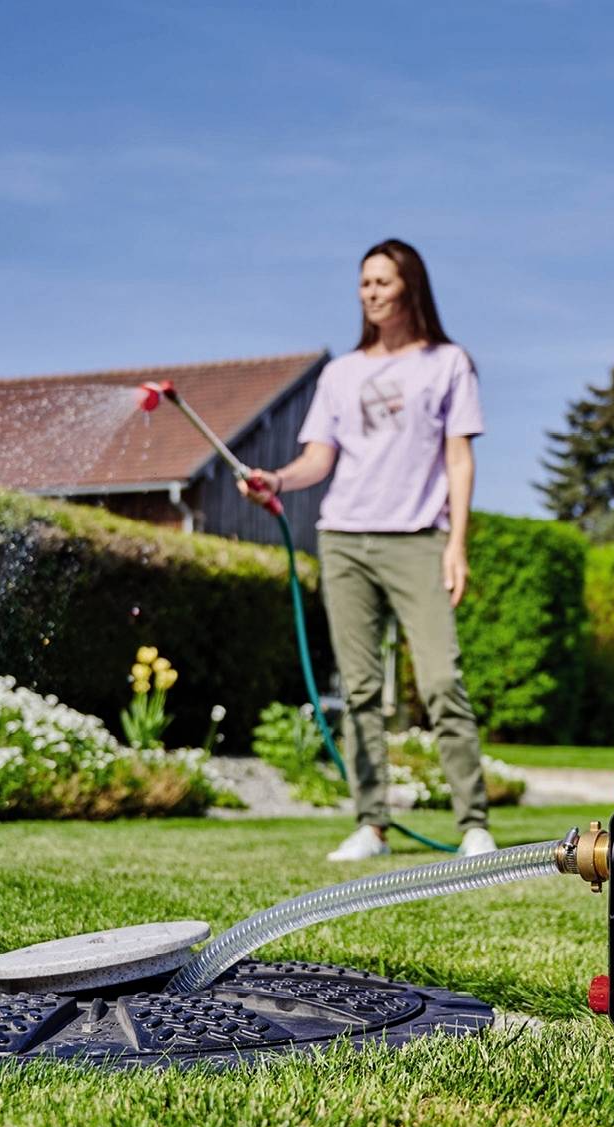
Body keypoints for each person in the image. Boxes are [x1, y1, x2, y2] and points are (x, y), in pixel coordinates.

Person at [241, 239, 495, 861]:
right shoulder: (341, 374)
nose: (371, 293)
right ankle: (372, 825)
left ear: (410, 286)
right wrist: (276, 480)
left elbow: (458, 458)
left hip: (417, 540)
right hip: (344, 540)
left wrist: (455, 543)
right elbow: (318, 459)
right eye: (364, 284)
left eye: (382, 281)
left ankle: (474, 825)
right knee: (357, 690)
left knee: (441, 681)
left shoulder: (447, 363)